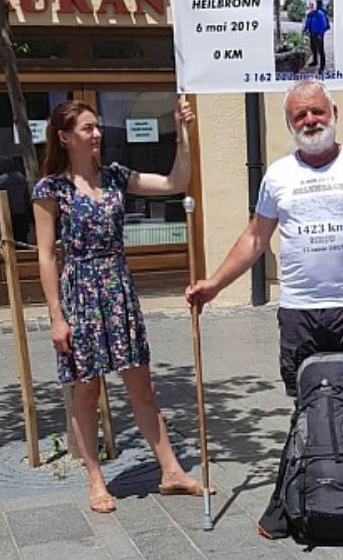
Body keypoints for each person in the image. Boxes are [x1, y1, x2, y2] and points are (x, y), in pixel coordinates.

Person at [185, 79, 343, 432]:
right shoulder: (277, 175)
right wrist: (214, 284)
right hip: (299, 308)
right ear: (290, 124)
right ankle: (317, 469)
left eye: (317, 111)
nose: (310, 120)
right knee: (305, 392)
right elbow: (256, 237)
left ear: (333, 114)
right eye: (299, 115)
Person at [32, 99, 211, 514]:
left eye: (97, 127)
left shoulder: (114, 177)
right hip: (80, 292)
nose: (96, 134)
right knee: (87, 389)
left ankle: (171, 472)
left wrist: (183, 134)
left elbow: (175, 182)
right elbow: (45, 256)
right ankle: (95, 479)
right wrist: (57, 318)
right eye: (87, 128)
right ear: (64, 137)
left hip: (117, 288)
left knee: (142, 387)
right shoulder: (51, 189)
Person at [302, 0, 330, 73]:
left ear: (315, 6)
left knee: (321, 51)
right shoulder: (309, 14)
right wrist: (304, 30)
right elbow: (307, 23)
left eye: (312, 5)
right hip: (312, 34)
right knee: (313, 48)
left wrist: (320, 35)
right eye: (310, 5)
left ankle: (322, 66)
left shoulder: (319, 14)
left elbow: (323, 25)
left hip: (318, 35)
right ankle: (315, 62)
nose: (311, 6)